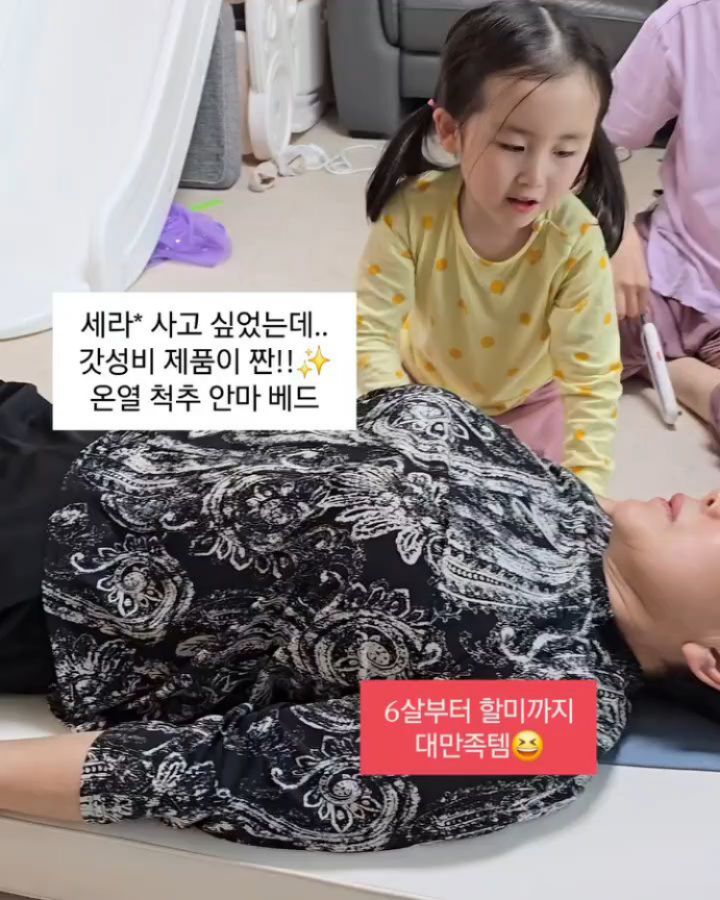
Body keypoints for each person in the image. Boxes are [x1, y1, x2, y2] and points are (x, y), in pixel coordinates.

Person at [1, 379, 720, 852]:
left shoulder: (544, 716)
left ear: (712, 661)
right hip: (62, 434)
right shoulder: (588, 521)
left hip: (40, 568)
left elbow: (217, 771)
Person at [356, 0, 627, 498]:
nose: (536, 177)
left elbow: (592, 381)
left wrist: (587, 491)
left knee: (525, 509)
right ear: (450, 130)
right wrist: (403, 422)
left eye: (566, 152)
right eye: (513, 146)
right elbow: (370, 331)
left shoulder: (576, 242)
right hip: (421, 393)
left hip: (529, 405)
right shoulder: (412, 212)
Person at [604, 0, 720, 439]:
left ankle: (678, 371)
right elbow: (592, 143)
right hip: (672, 272)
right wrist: (616, 235)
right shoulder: (687, 20)